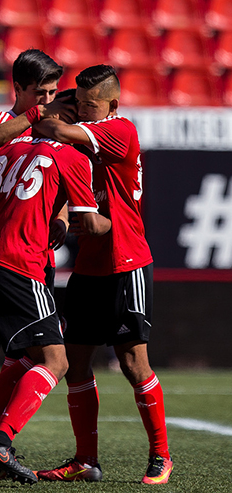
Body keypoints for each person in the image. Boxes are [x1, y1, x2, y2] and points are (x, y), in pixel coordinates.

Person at [0, 129, 112, 484]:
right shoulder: (72, 155)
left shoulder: (8, 144)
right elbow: (90, 221)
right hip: (21, 264)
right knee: (56, 360)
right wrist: (122, 222)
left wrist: (11, 226)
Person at [33, 65, 173, 484]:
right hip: (89, 267)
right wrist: (60, 218)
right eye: (79, 103)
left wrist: (42, 114)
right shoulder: (85, 135)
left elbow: (58, 133)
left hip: (126, 262)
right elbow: (65, 179)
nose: (84, 111)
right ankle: (86, 460)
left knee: (133, 363)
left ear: (111, 104)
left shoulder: (121, 130)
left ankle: (161, 456)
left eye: (90, 105)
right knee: (75, 364)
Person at [0, 50, 72, 478]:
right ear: (18, 91)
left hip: (24, 260)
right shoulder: (7, 127)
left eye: (52, 92)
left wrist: (59, 219)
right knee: (40, 360)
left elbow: (60, 192)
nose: (46, 99)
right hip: (18, 262)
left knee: (15, 361)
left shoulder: (57, 134)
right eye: (38, 93)